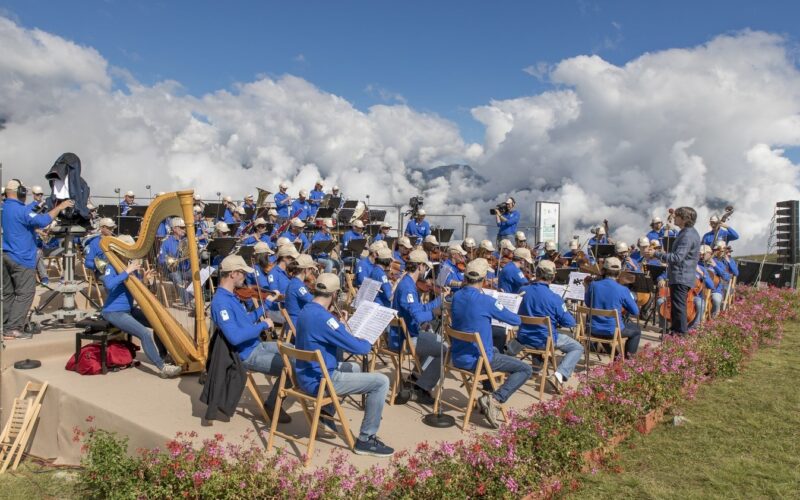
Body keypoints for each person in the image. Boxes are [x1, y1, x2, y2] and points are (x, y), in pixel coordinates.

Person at [295, 273, 393, 457]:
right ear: (334, 295)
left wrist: (339, 326)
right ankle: (366, 438)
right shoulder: (325, 319)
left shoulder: (306, 310)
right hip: (321, 381)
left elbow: (324, 333)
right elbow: (360, 349)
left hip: (305, 374)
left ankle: (327, 410)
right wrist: (371, 338)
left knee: (354, 368)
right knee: (381, 382)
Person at [450, 258, 531, 428]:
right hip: (479, 360)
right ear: (484, 279)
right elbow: (515, 320)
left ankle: (488, 392)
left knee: (494, 347)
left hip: (458, 356)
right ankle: (494, 398)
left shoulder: (456, 296)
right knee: (525, 368)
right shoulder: (486, 300)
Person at [210, 255, 291, 422]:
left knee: (295, 350)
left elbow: (246, 321)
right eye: (243, 274)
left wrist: (267, 305)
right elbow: (234, 337)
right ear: (233, 274)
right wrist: (263, 326)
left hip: (256, 346)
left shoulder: (230, 296)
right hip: (246, 354)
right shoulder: (221, 302)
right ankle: (272, 405)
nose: (246, 277)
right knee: (294, 367)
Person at [100, 235, 182, 377]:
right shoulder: (112, 266)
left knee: (158, 323)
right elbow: (108, 284)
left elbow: (135, 288)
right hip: (114, 311)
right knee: (144, 333)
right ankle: (162, 367)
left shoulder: (131, 266)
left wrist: (145, 280)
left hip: (128, 310)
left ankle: (163, 355)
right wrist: (127, 271)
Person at [2, 180, 74, 339]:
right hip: (22, 258)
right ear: (19, 192)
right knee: (25, 293)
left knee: (8, 293)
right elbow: (43, 220)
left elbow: (22, 219)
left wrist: (36, 206)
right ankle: (13, 329)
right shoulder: (22, 211)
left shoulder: (6, 207)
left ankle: (5, 324)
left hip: (7, 255)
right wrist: (59, 207)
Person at [513, 260, 582, 392]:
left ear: (536, 273)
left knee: (539, 331)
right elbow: (570, 323)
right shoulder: (555, 298)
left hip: (523, 337)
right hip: (545, 340)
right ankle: (559, 375)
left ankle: (535, 370)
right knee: (577, 347)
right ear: (553, 276)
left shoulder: (523, 290)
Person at [390, 249, 447, 405]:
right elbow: (418, 316)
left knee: (437, 339)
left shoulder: (407, 282)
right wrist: (435, 313)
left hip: (405, 334)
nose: (426, 271)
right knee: (444, 349)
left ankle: (415, 377)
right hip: (405, 339)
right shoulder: (408, 287)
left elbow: (417, 309)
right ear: (420, 266)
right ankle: (422, 388)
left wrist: (438, 300)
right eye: (425, 267)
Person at [645, 206, 701, 336]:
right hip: (682, 275)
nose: (674, 218)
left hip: (681, 276)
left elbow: (677, 257)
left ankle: (680, 334)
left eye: (677, 216)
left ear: (684, 219)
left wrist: (657, 254)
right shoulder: (689, 232)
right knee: (677, 308)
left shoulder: (687, 235)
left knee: (679, 308)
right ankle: (675, 332)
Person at [584, 257, 641, 358]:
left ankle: (616, 357)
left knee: (605, 330)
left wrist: (586, 287)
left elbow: (588, 304)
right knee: (636, 330)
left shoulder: (593, 285)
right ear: (619, 273)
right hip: (611, 331)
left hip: (592, 329)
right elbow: (635, 311)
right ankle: (628, 360)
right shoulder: (622, 289)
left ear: (603, 271)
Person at [158, 217, 191, 305]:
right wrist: (170, 261)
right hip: (172, 271)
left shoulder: (188, 241)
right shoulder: (166, 242)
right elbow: (161, 259)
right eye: (182, 227)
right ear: (174, 229)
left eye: (184, 228)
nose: (184, 230)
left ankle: (191, 297)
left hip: (186, 269)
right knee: (176, 276)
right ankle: (187, 301)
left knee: (199, 274)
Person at [283, 254, 317, 327]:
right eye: (311, 269)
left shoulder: (295, 282)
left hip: (296, 322)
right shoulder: (297, 286)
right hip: (298, 325)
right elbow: (313, 301)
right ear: (305, 269)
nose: (311, 271)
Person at [699, 244, 729, 317]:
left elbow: (726, 277)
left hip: (715, 290)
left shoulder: (718, 263)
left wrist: (715, 266)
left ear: (709, 254)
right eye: (700, 254)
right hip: (699, 289)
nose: (701, 256)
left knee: (716, 300)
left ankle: (713, 318)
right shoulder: (697, 263)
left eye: (704, 254)